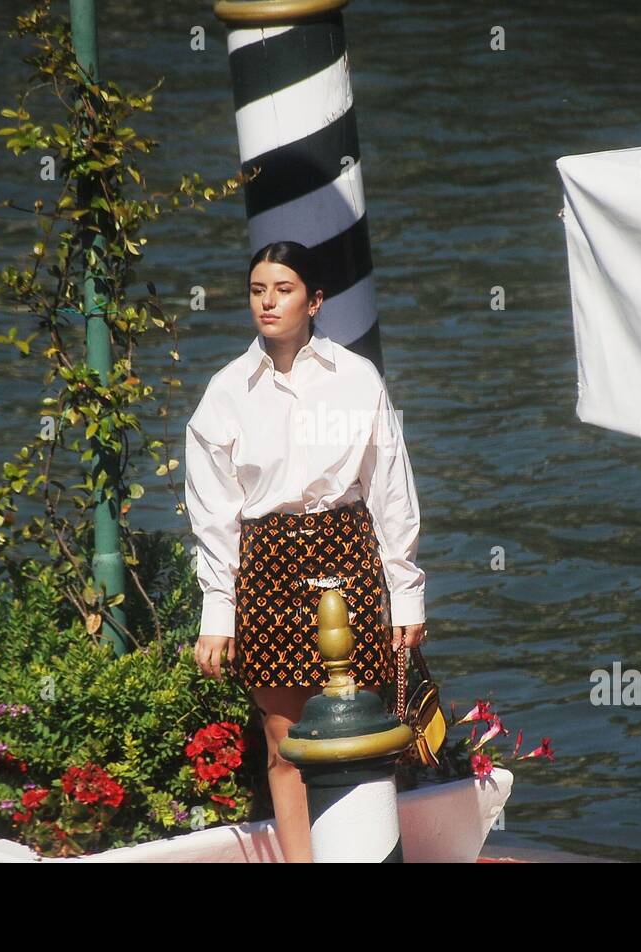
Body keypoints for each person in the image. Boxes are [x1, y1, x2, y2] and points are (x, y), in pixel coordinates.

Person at [184, 239, 427, 862]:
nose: (268, 302)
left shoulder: (356, 377)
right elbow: (215, 516)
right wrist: (218, 612)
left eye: (284, 289)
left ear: (315, 301)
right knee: (282, 742)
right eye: (258, 290)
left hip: (346, 554)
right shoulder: (226, 391)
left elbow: (390, 487)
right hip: (267, 565)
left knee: (365, 728)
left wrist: (406, 593)